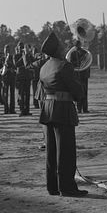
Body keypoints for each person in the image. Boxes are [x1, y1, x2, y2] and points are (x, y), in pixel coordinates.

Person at [37, 31, 88, 197]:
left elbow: (40, 92)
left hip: (47, 110)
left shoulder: (44, 67)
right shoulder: (64, 66)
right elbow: (78, 92)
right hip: (62, 110)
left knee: (51, 151)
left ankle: (52, 187)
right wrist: (76, 76)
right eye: (61, 45)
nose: (64, 47)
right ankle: (67, 188)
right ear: (57, 49)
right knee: (65, 151)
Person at [68, 39, 91, 113]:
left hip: (78, 75)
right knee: (84, 92)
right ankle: (84, 109)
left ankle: (79, 109)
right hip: (82, 75)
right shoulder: (82, 52)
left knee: (79, 92)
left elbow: (71, 64)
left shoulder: (74, 53)